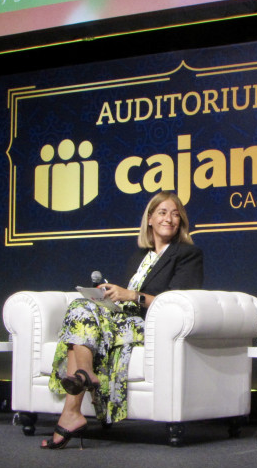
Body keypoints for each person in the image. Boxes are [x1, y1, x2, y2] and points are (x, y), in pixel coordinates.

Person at [43, 191, 203, 449]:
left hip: (149, 326)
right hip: (122, 319)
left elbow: (178, 304)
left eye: (175, 214)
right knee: (82, 306)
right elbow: (126, 299)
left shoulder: (188, 254)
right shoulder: (140, 257)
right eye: (162, 212)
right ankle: (79, 390)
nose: (169, 219)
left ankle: (75, 399)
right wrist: (110, 297)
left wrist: (131, 295)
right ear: (150, 219)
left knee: (81, 322)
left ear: (181, 221)